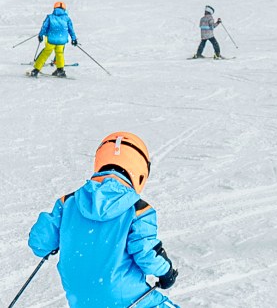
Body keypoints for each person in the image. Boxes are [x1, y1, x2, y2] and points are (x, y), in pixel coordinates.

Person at [27, 132, 179, 308]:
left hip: (81, 300)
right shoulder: (138, 210)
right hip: (126, 298)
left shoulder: (68, 203)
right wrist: (166, 272)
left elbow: (40, 244)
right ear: (140, 171)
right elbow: (146, 254)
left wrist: (51, 225)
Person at [30, 1, 77, 78]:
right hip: (62, 40)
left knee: (45, 53)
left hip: (51, 39)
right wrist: (74, 39)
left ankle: (36, 70)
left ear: (54, 8)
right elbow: (71, 30)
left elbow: (44, 27)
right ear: (64, 9)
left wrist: (41, 35)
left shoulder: (50, 17)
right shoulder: (67, 19)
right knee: (60, 54)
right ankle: (60, 71)